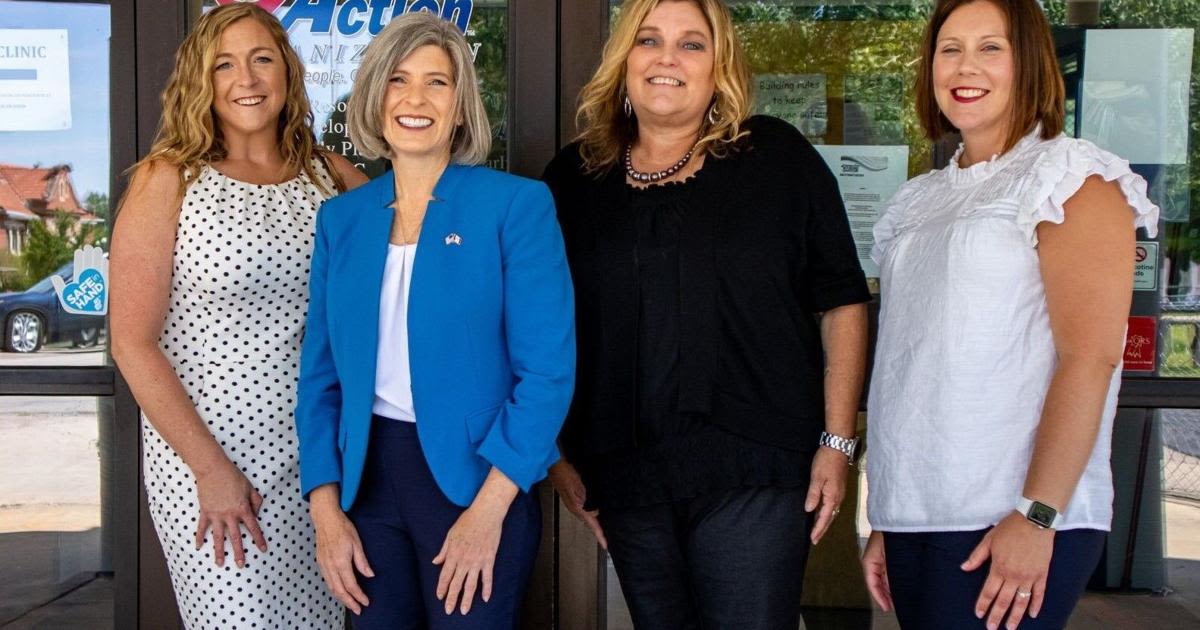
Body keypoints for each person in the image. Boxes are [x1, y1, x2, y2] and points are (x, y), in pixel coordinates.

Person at [542, 0, 870, 627]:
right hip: (625, 469)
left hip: (757, 464)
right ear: (623, 61)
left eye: (692, 44)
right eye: (649, 40)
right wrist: (556, 458)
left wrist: (837, 441)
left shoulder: (775, 156)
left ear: (719, 66)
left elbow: (841, 300)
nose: (668, 58)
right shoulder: (573, 179)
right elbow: (537, 327)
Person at [860, 1, 1159, 629]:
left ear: (1031, 64)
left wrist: (1037, 514)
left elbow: (1092, 357)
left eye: (991, 47)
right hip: (920, 514)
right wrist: (892, 515)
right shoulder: (921, 197)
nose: (966, 66)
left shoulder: (1071, 175)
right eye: (950, 49)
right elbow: (913, 363)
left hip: (1014, 515)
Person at [295, 12, 574, 629]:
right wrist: (326, 514)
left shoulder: (515, 207)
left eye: (437, 82)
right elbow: (319, 382)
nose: (415, 98)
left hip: (477, 481)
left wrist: (490, 509)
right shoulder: (342, 220)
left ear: (460, 107)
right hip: (365, 485)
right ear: (375, 98)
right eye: (398, 80)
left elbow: (547, 374)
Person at [109, 4, 366, 628]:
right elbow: (132, 344)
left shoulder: (330, 176)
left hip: (317, 460)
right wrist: (211, 470)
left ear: (287, 71)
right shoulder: (167, 179)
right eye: (225, 64)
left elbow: (408, 269)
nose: (246, 79)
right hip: (212, 460)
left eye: (261, 59)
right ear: (202, 79)